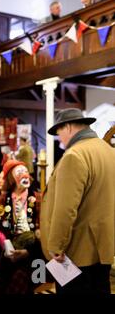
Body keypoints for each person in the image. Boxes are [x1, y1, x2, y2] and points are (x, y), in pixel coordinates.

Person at [41, 108, 115, 294]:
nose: (60, 139)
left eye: (59, 134)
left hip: (77, 251)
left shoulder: (75, 155)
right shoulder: (108, 151)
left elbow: (66, 209)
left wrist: (56, 246)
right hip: (103, 247)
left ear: (67, 127)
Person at [0, 160, 42, 294]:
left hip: (35, 255)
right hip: (4, 253)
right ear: (11, 179)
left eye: (26, 172)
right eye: (19, 172)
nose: (24, 175)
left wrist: (27, 252)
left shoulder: (39, 199)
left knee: (21, 278)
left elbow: (44, 230)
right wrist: (7, 247)